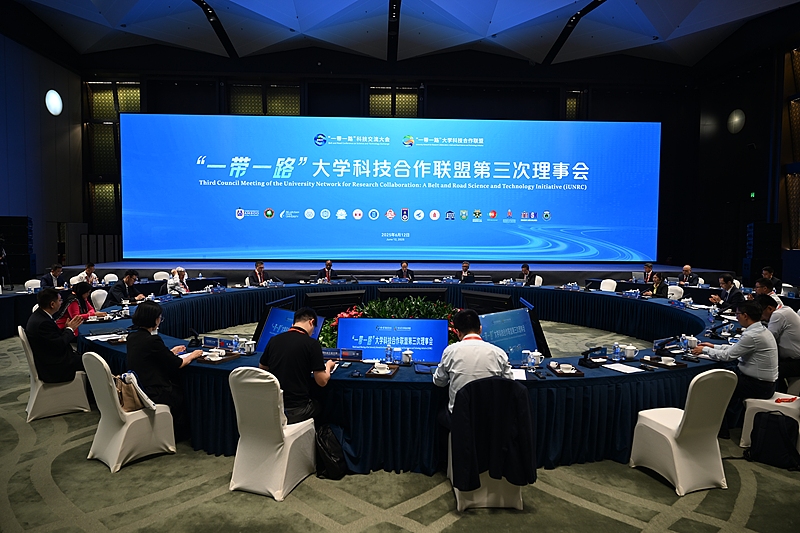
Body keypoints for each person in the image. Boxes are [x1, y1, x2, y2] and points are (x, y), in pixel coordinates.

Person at [691, 300, 778, 439]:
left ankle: (720, 431)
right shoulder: (759, 330)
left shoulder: (753, 335)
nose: (736, 317)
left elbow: (728, 356)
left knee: (716, 388)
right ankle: (728, 424)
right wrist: (713, 346)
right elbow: (735, 348)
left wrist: (704, 349)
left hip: (759, 385)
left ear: (745, 315)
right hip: (760, 382)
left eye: (737, 314)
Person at [126, 301, 204, 439]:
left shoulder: (132, 337)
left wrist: (170, 352)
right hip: (155, 391)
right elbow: (179, 364)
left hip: (140, 386)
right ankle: (180, 435)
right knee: (180, 395)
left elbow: (153, 356)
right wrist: (194, 355)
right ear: (154, 319)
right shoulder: (153, 340)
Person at [259, 307, 336, 424]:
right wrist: (329, 366)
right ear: (311, 322)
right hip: (298, 409)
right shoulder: (312, 344)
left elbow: (262, 368)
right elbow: (322, 381)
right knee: (324, 405)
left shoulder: (274, 340)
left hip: (274, 408)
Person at [433, 309, 514, 419]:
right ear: (480, 329)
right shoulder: (499, 353)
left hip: (460, 417)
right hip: (491, 418)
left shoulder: (450, 351)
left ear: (457, 332)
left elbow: (439, 382)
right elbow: (509, 384)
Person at [25, 288, 84, 383]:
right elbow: (60, 344)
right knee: (92, 362)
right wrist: (70, 329)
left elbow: (52, 339)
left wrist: (66, 329)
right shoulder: (43, 323)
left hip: (50, 357)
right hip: (54, 366)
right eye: (60, 300)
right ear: (52, 304)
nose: (61, 303)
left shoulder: (40, 315)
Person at [754, 294, 800, 393]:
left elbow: (767, 340)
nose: (761, 318)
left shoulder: (778, 314)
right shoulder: (785, 310)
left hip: (796, 362)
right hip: (791, 360)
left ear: (770, 308)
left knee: (761, 368)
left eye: (761, 313)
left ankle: (770, 395)